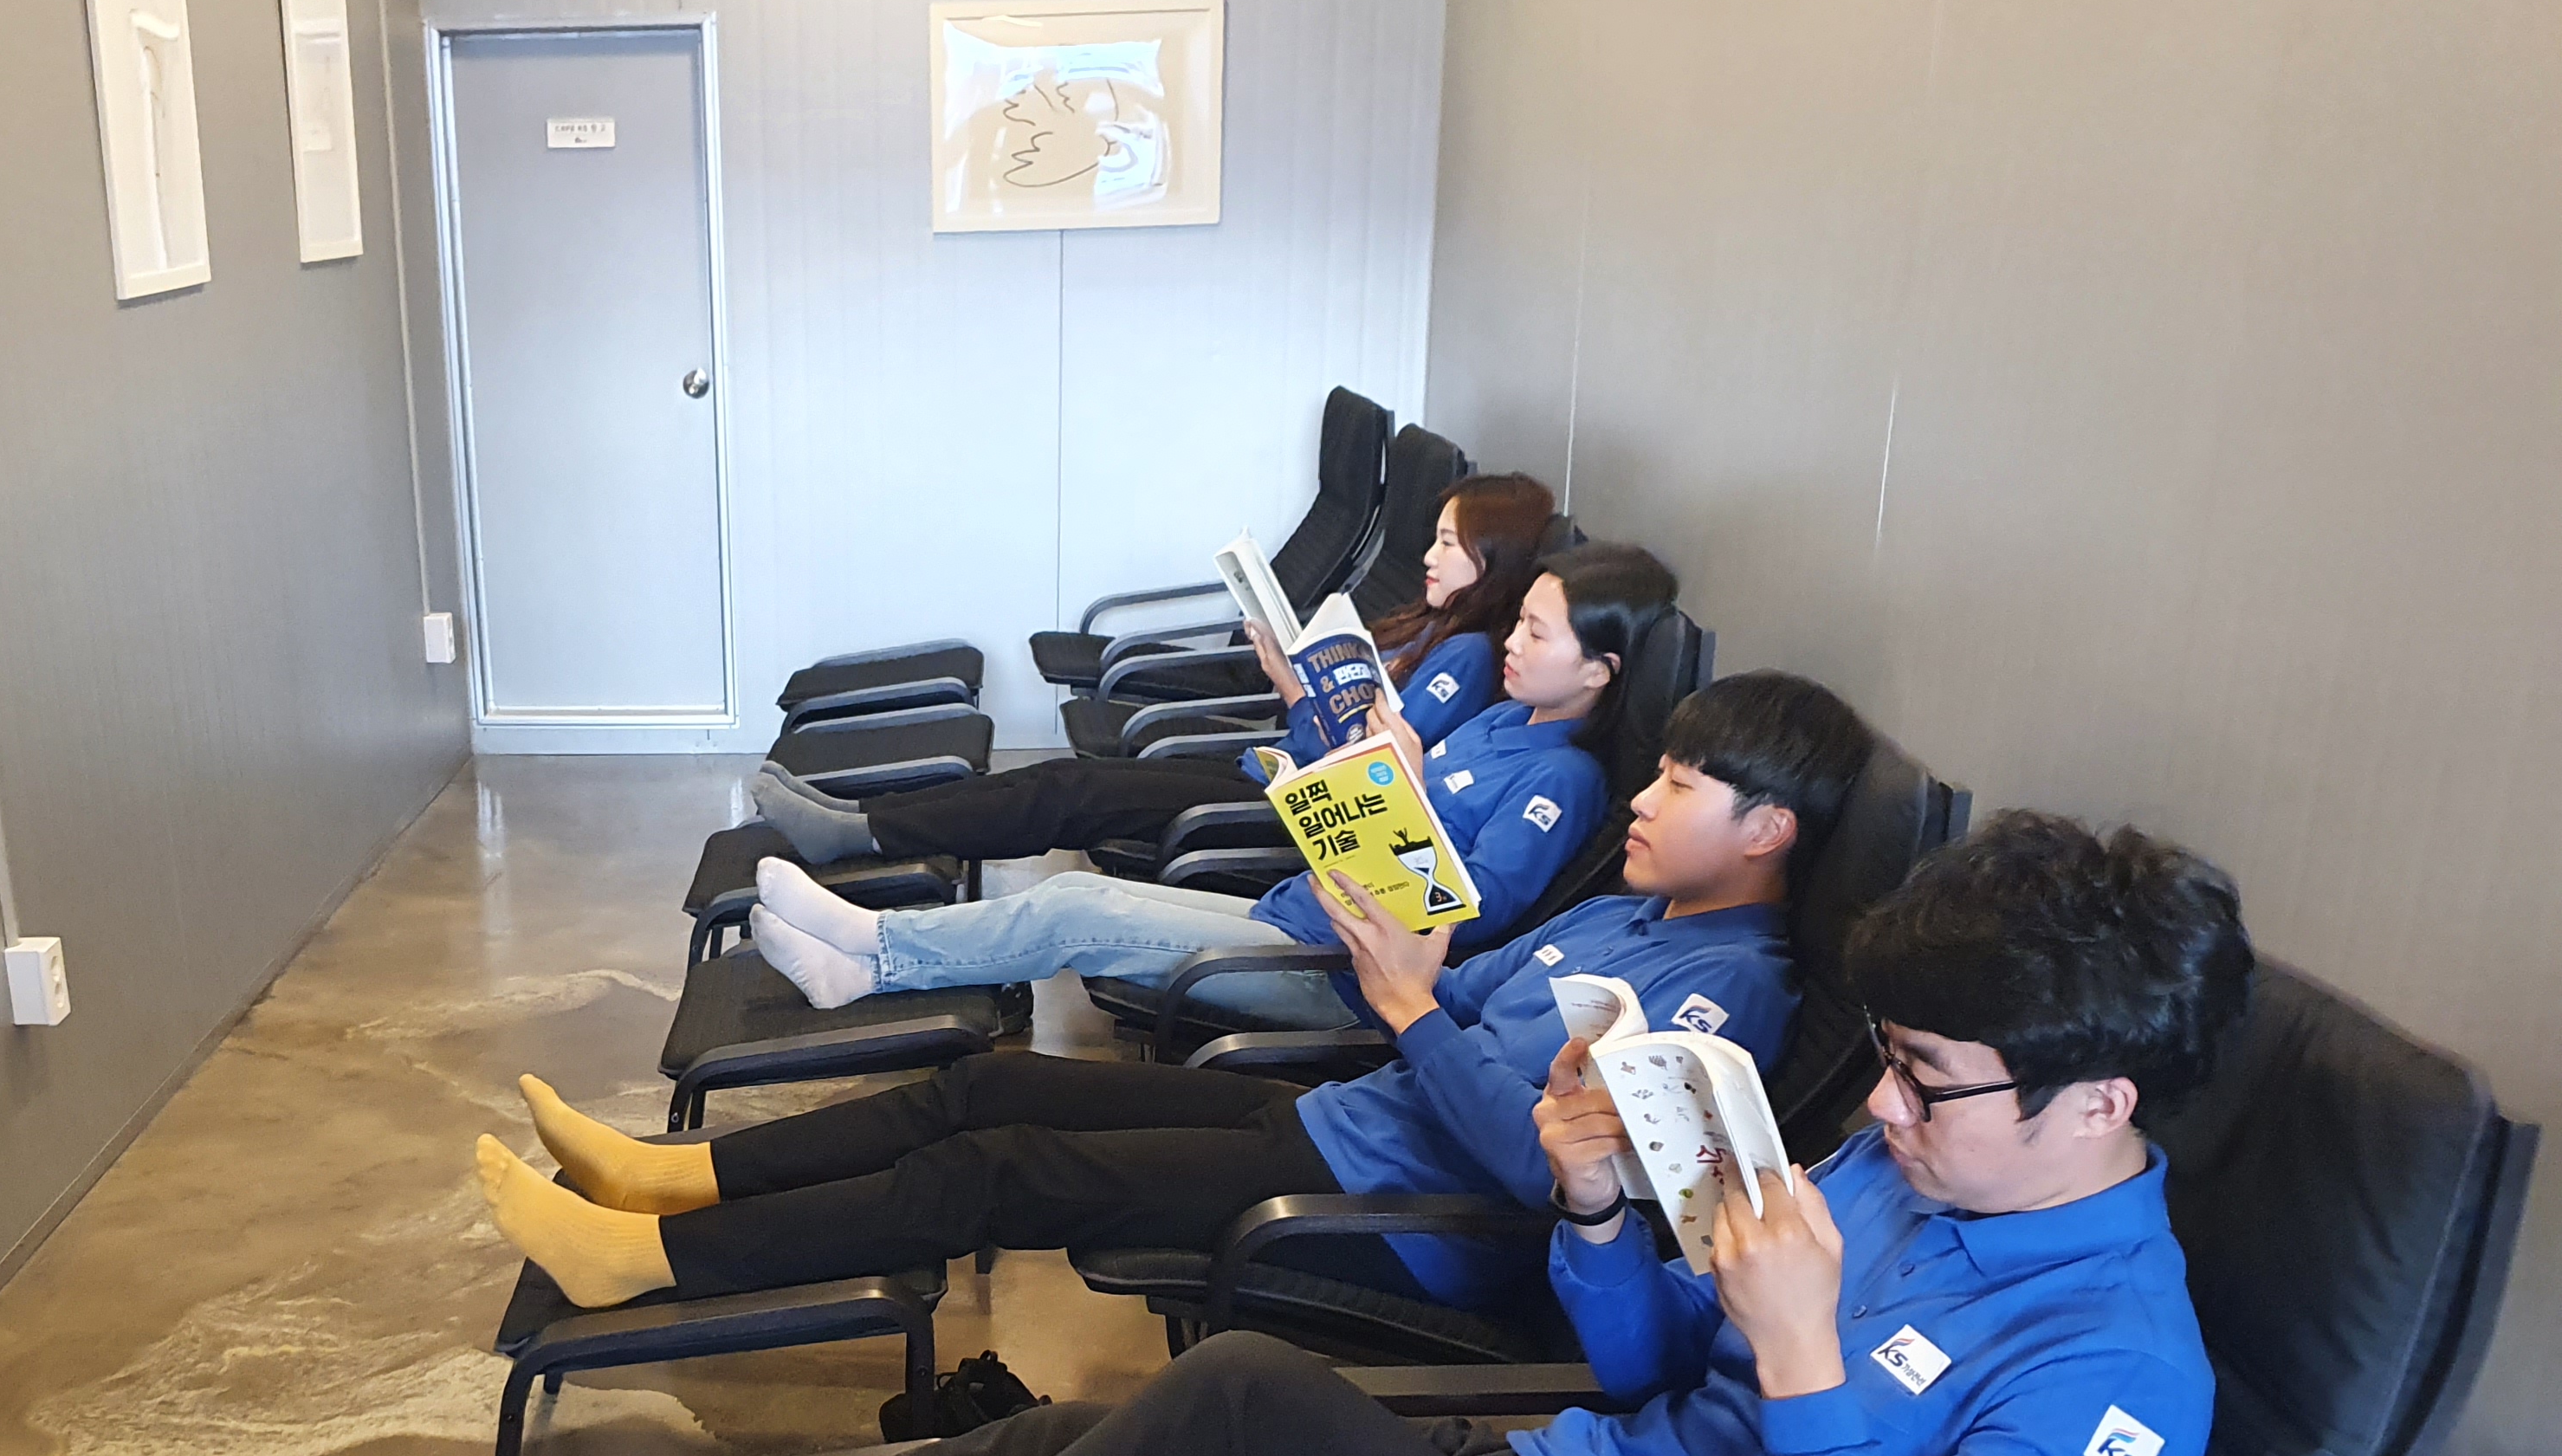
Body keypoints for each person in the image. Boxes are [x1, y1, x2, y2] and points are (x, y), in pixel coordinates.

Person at [437, 812, 2248, 1456]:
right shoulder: (1908, 1174)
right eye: (1894, 1074)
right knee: (1073, 1441)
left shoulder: (2122, 1374)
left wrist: (1802, 1357)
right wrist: (1598, 1215)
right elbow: (1645, 1370)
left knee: (1240, 1402)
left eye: (1930, 1081)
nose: (1889, 1111)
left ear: (2099, 1099)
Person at [476, 670, 1871, 1310]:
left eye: (1681, 786)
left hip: (1408, 1218)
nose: (1643, 801)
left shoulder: (1728, 1001)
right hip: (1347, 1120)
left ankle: (649, 1263)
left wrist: (1408, 1009)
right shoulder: (1632, 911)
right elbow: (1466, 996)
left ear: (1769, 830)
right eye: (1655, 773)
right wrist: (1408, 975)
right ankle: (676, 1180)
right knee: (985, 1087)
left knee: (1002, 1170)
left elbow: (1540, 1167)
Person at [739, 542, 1676, 1034]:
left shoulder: (1565, 781)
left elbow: (1469, 914)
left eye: (1538, 634)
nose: (1511, 643)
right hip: (1298, 910)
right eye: (1519, 624)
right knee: (1074, 892)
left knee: (1070, 907)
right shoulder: (1505, 723)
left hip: (1342, 974)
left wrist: (1407, 793)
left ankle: (875, 949)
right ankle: (865, 961)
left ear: (1601, 670)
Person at [747, 476, 1562, 871]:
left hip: (1291, 810)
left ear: (1493, 557)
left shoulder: (1468, 658)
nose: (1428, 555)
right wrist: (1294, 678)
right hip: (1272, 772)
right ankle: (862, 817)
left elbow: (1366, 773)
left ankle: (863, 832)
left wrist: (1291, 689)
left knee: (1070, 792)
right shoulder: (1434, 627)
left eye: (1448, 543)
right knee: (1062, 781)